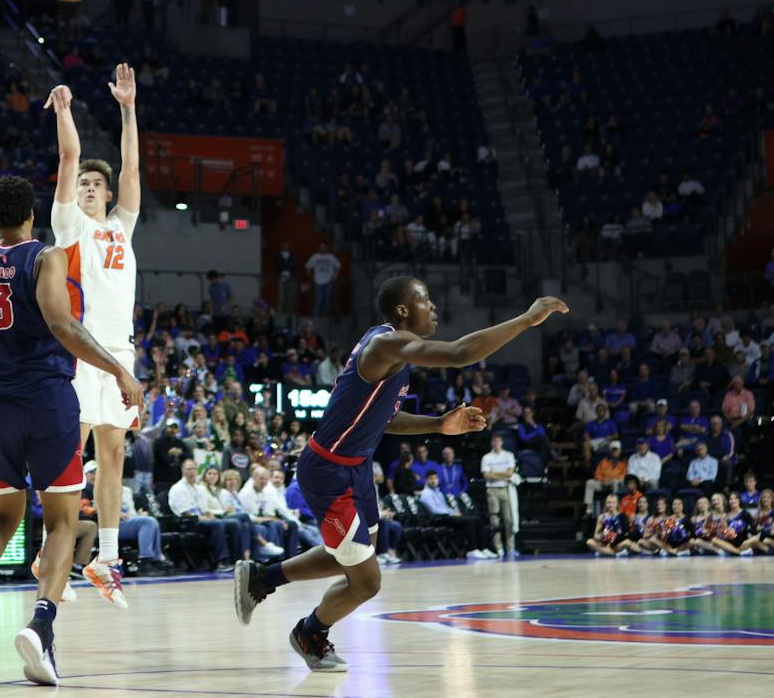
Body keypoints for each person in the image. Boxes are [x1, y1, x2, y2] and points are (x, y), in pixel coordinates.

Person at [233, 276, 567, 671]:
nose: (435, 308)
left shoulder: (396, 358)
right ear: (404, 310)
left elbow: (385, 420)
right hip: (328, 471)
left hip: (356, 469)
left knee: (354, 557)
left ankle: (262, 578)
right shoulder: (385, 343)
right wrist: (527, 320)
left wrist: (439, 424)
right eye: (426, 300)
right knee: (367, 582)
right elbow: (460, 352)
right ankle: (310, 632)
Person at [0, 175, 143, 686]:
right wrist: (118, 370)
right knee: (61, 525)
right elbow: (61, 325)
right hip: (48, 401)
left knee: (1, 521)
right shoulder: (45, 257)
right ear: (31, 214)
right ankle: (41, 626)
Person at [45, 68, 142, 609]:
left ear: (106, 194)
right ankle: (46, 551)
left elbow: (131, 165)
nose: (85, 188)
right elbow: (66, 161)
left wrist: (127, 108)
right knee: (70, 449)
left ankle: (105, 559)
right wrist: (65, 113)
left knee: (113, 454)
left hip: (120, 352)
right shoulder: (69, 226)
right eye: (82, 183)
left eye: (93, 184)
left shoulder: (121, 226)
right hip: (81, 350)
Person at [418, 471, 496, 558]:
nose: (433, 481)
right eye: (431, 479)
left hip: (447, 517)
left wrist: (454, 512)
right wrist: (451, 513)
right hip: (438, 519)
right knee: (469, 521)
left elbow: (445, 507)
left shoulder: (438, 492)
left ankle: (483, 548)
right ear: (426, 480)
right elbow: (434, 510)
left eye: (435, 478)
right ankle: (471, 550)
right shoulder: (426, 494)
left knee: (477, 519)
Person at [481, 432, 520, 556]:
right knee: (494, 520)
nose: (496, 443)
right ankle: (499, 549)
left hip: (505, 489)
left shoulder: (509, 455)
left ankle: (510, 548)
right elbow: (486, 475)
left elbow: (510, 473)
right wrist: (502, 474)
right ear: (492, 443)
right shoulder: (486, 457)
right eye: (494, 441)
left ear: (502, 442)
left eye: (498, 441)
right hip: (492, 490)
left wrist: (494, 474)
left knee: (509, 519)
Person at [305, 242, 341, 320]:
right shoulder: (315, 257)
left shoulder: (331, 257)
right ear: (318, 247)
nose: (322, 248)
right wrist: (312, 277)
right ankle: (315, 318)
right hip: (318, 281)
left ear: (326, 247)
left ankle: (325, 317)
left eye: (324, 247)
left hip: (328, 281)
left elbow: (338, 266)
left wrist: (335, 275)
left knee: (328, 300)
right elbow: (307, 267)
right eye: (321, 247)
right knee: (318, 300)